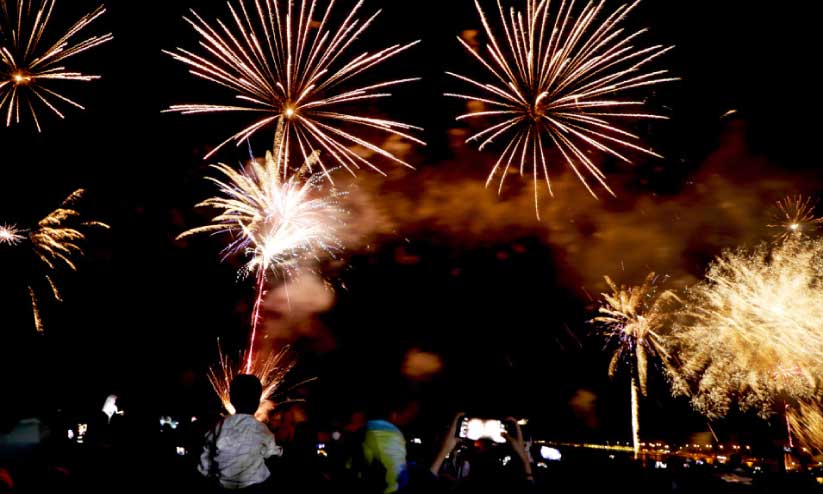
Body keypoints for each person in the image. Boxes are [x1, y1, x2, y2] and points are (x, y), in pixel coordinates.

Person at [198, 375, 283, 491]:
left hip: (222, 484)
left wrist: (206, 472)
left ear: (231, 400)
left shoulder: (219, 425)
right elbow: (272, 453)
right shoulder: (261, 429)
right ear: (258, 402)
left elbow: (207, 451)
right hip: (253, 485)